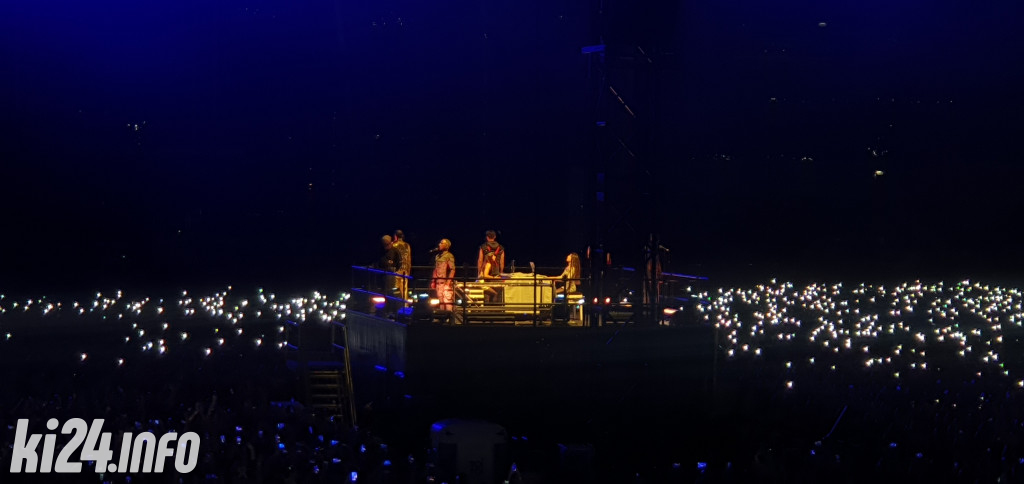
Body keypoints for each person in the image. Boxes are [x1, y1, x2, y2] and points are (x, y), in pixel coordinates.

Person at [431, 239, 456, 313]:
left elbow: (452, 269)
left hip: (445, 283)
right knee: (440, 301)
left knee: (447, 301)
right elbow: (435, 269)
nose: (439, 244)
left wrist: (448, 282)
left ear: (446, 245)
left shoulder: (449, 255)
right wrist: (433, 281)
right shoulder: (437, 256)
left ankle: (450, 318)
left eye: (442, 243)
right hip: (438, 282)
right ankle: (442, 318)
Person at [392, 230, 412, 299]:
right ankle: (405, 306)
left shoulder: (393, 245)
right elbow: (409, 259)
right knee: (404, 289)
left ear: (395, 236)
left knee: (395, 289)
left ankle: (397, 305)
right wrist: (408, 271)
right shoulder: (407, 245)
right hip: (405, 270)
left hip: (396, 270)